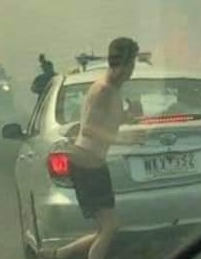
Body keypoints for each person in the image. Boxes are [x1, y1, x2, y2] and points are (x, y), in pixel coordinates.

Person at [38, 37, 142, 259]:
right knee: (110, 226)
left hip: (94, 163)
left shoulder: (113, 90)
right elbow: (89, 130)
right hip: (87, 162)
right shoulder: (103, 90)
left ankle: (57, 255)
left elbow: (105, 121)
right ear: (122, 65)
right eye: (131, 65)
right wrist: (124, 140)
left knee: (106, 228)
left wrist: (127, 117)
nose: (132, 71)